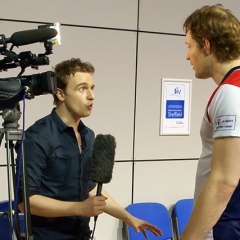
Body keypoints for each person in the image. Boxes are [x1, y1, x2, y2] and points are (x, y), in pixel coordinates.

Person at [16, 58, 163, 240]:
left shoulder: (88, 136)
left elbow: (90, 189)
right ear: (60, 94)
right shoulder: (37, 136)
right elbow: (26, 203)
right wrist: (80, 208)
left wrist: (128, 217)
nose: (91, 95)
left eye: (92, 88)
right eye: (82, 88)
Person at [181, 4, 240, 240]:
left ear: (206, 45)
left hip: (227, 226)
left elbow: (225, 181)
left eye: (189, 46)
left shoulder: (231, 92)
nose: (187, 55)